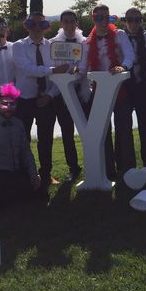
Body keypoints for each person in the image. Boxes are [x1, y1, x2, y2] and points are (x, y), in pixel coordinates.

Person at [78, 4, 135, 179]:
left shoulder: (119, 35)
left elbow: (129, 55)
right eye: (98, 17)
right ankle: (108, 169)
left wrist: (123, 66)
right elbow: (83, 65)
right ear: (93, 18)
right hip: (99, 91)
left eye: (106, 17)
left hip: (120, 89)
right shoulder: (87, 42)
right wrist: (75, 70)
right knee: (102, 131)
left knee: (124, 129)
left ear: (110, 18)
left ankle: (127, 169)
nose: (102, 21)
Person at [12, 11, 68, 188]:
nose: (37, 28)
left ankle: (46, 174)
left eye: (41, 25)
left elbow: (61, 76)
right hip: (24, 100)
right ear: (26, 26)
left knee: (46, 139)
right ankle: (27, 175)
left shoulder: (52, 46)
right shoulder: (18, 46)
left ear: (47, 27)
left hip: (46, 100)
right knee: (23, 140)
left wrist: (50, 95)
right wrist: (53, 70)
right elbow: (28, 69)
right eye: (32, 24)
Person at [50, 9, 86, 182]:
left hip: (82, 92)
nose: (70, 25)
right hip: (61, 94)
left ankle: (93, 163)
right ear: (61, 24)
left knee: (87, 130)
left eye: (73, 21)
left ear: (76, 23)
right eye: (66, 21)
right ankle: (74, 167)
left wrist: (79, 72)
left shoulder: (85, 43)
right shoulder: (53, 44)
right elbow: (54, 70)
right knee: (67, 132)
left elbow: (87, 66)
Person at [122, 7, 146, 172]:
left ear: (141, 21)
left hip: (144, 87)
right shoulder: (119, 38)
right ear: (125, 21)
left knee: (145, 128)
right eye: (129, 20)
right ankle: (128, 166)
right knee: (124, 129)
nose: (133, 23)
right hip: (125, 89)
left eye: (137, 20)